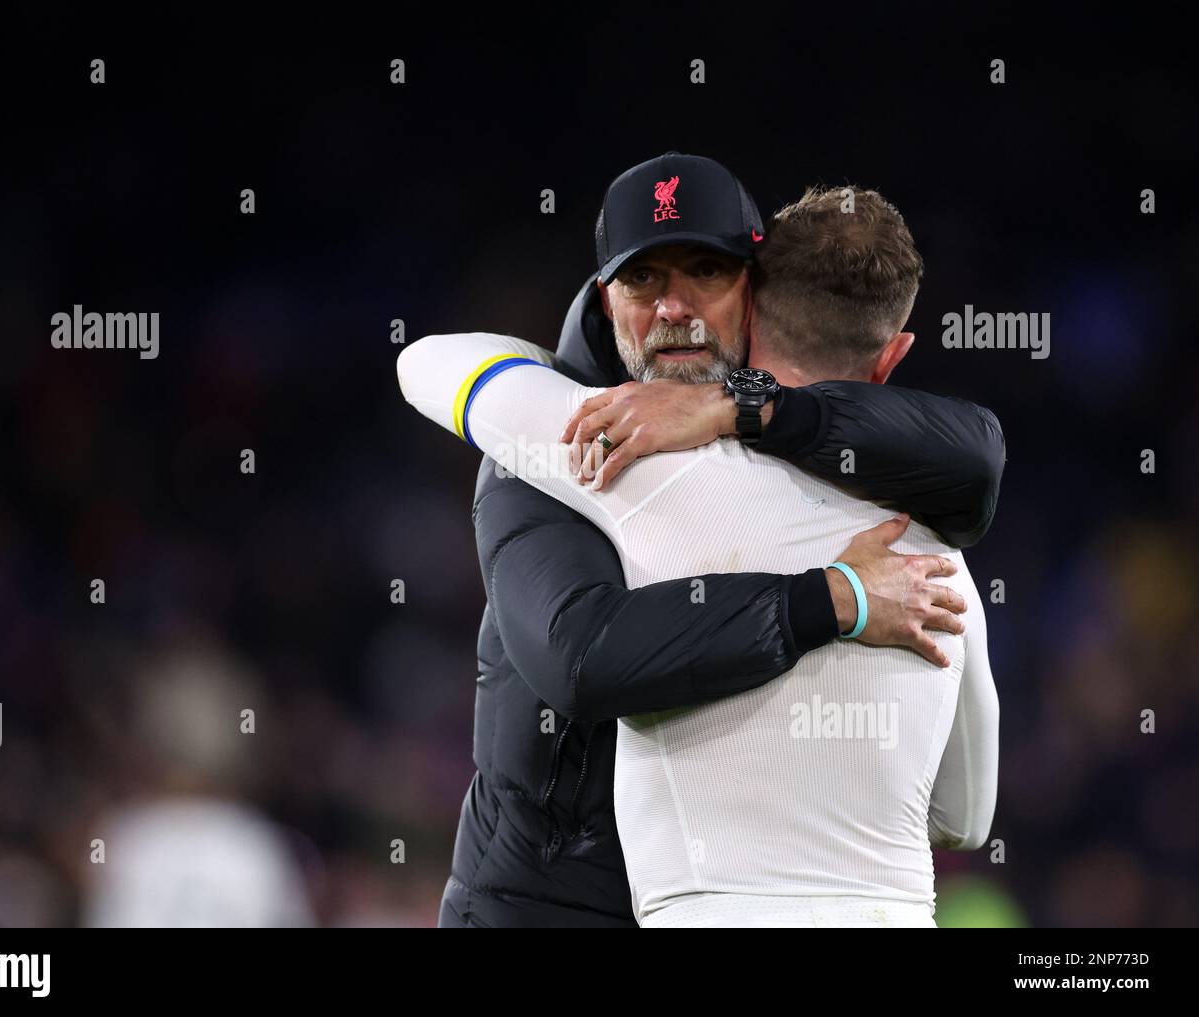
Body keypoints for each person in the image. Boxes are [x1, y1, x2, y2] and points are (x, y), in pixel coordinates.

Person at [411, 154, 1004, 928]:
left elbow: (978, 454)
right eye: (643, 280)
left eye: (705, 270)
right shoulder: (553, 449)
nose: (674, 309)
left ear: (755, 292)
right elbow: (583, 658)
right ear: (604, 297)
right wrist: (838, 597)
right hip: (542, 904)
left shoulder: (796, 449)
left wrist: (746, 408)